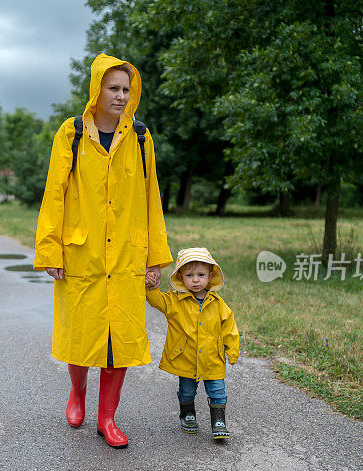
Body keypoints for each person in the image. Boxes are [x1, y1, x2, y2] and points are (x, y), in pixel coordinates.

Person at [34, 53, 172, 449]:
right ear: (97, 90)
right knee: (83, 331)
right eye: (113, 88)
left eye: (127, 89)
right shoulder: (71, 133)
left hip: (127, 253)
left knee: (121, 339)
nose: (121, 95)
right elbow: (54, 193)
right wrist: (51, 250)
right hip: (83, 252)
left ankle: (106, 418)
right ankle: (77, 391)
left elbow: (152, 197)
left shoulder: (141, 137)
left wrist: (154, 258)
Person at [144, 247, 239, 439]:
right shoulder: (174, 300)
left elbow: (229, 327)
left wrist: (233, 350)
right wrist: (150, 287)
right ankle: (187, 413)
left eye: (201, 274)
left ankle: (218, 420)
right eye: (189, 275)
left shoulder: (218, 303)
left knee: (218, 391)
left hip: (213, 358)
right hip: (185, 356)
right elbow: (155, 301)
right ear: (180, 277)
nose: (195, 280)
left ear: (210, 275)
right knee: (187, 391)